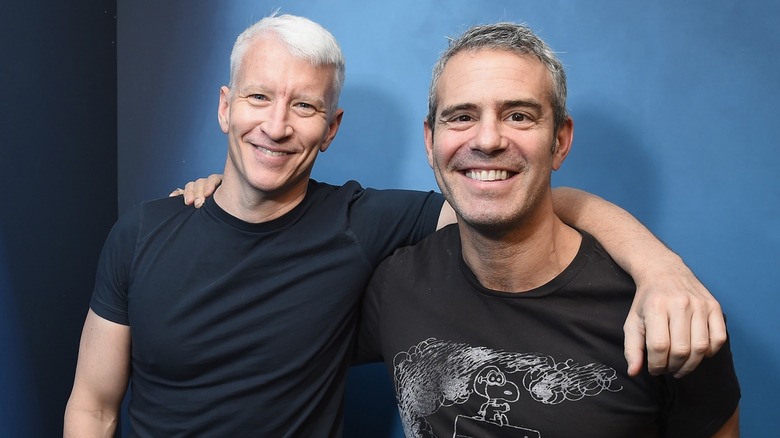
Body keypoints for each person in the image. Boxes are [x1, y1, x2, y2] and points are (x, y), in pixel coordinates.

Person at [65, 13, 726, 437]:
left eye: (304, 106)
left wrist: (659, 269)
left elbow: (512, 199)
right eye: (258, 98)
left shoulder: (366, 225)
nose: (274, 125)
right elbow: (92, 407)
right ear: (225, 107)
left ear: (331, 128)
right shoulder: (144, 233)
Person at [355, 22, 740, 437]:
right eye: (462, 116)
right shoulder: (395, 286)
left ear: (559, 141)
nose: (488, 140)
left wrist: (661, 267)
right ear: (430, 141)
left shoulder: (662, 311)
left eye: (518, 116)